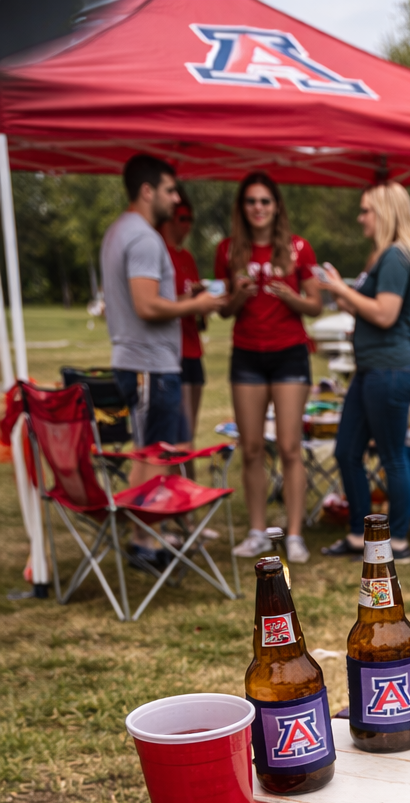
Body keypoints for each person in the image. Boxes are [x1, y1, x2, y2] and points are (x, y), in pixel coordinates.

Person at [100, 154, 223, 573]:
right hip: (149, 365)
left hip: (139, 361)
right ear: (147, 190)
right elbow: (146, 304)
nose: (175, 198)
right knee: (152, 455)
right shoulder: (144, 238)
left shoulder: (118, 231)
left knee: (153, 450)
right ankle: (144, 542)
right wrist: (199, 303)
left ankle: (149, 535)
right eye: (170, 190)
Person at [317, 182, 410, 564]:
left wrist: (340, 290)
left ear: (385, 212)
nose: (360, 217)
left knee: (391, 456)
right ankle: (359, 537)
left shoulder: (397, 257)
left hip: (391, 370)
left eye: (366, 210)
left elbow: (384, 313)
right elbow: (369, 310)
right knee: (346, 451)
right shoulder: (382, 256)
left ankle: (396, 542)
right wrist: (344, 294)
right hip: (371, 369)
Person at [215, 172, 322, 565]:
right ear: (242, 208)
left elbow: (315, 305)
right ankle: (258, 532)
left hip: (290, 354)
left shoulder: (298, 249)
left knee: (291, 448)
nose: (258, 208)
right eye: (251, 201)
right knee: (252, 448)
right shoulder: (228, 250)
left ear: (276, 206)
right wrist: (238, 297)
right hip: (246, 356)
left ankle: (294, 534)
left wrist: (292, 297)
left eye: (265, 201)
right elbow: (224, 310)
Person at [159, 189, 205, 445]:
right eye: (183, 218)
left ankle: (187, 482)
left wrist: (203, 305)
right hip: (172, 352)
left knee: (189, 434)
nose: (188, 225)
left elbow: (194, 308)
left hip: (193, 348)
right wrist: (195, 300)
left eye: (191, 219)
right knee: (180, 437)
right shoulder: (158, 252)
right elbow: (154, 304)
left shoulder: (186, 257)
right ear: (169, 218)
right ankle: (185, 484)